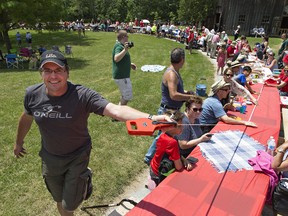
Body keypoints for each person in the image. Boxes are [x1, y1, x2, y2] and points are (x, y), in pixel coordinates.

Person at [13, 50, 171, 216]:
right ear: (41, 74)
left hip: (77, 156)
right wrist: (18, 142)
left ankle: (83, 179)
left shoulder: (82, 95)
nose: (53, 76)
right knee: (59, 199)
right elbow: (26, 117)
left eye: (58, 70)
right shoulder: (32, 94)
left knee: (69, 205)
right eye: (47, 71)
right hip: (50, 157)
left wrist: (152, 118)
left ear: (67, 72)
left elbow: (116, 110)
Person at [144, 48, 194, 165]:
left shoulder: (174, 71)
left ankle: (160, 155)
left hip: (171, 109)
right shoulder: (172, 74)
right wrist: (189, 98)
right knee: (162, 135)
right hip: (168, 110)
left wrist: (186, 92)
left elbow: (176, 90)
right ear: (182, 60)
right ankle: (148, 158)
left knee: (164, 135)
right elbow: (174, 95)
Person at [150, 110, 193, 186]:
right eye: (179, 126)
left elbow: (175, 154)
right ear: (169, 127)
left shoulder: (164, 136)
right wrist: (184, 163)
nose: (182, 127)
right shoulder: (172, 142)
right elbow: (179, 167)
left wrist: (184, 159)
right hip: (160, 174)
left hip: (153, 167)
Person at [112, 30, 137, 107]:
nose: (128, 38)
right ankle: (117, 114)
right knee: (127, 96)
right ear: (124, 37)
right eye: (127, 36)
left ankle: (118, 112)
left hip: (123, 76)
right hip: (122, 76)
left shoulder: (121, 46)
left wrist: (130, 64)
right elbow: (116, 58)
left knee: (125, 95)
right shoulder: (119, 46)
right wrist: (125, 50)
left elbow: (122, 59)